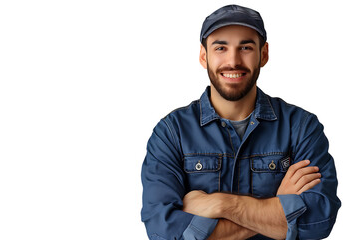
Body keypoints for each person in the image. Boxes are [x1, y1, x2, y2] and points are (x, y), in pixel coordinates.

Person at [141, 4, 341, 240]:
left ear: (263, 54)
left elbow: (318, 221)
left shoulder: (302, 127)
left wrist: (219, 204)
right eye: (221, 48)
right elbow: (162, 231)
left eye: (245, 47)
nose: (233, 60)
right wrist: (278, 206)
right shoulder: (171, 133)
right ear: (204, 56)